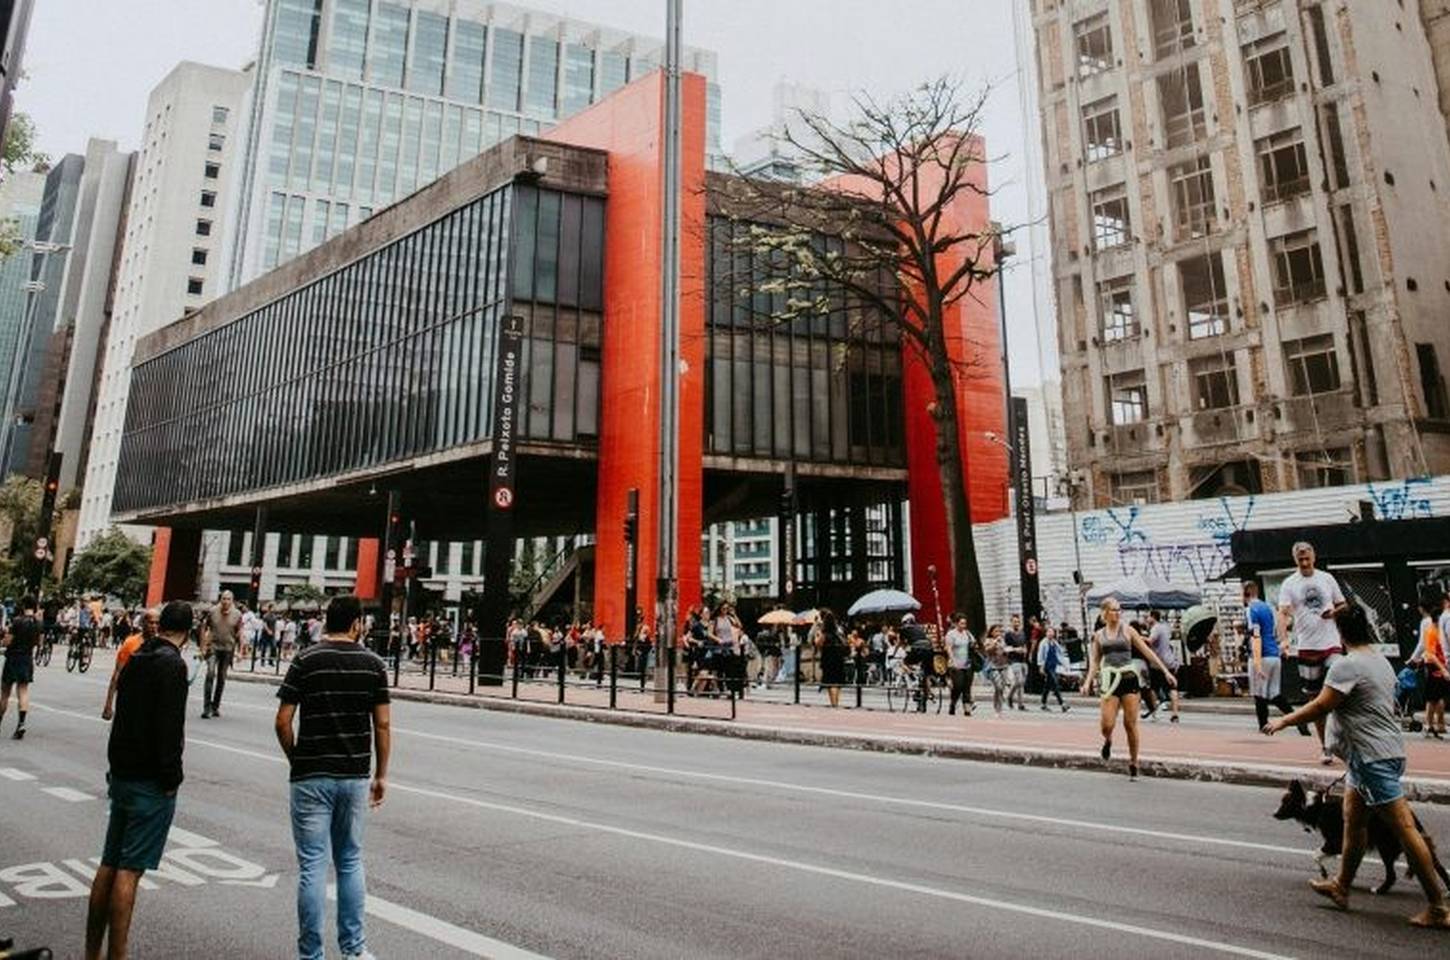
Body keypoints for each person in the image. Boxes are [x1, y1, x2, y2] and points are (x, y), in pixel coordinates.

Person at [1264, 605, 1450, 928]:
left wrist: (1284, 720)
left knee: (1405, 830)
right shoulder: (1381, 661)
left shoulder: (1346, 667)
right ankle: (1341, 886)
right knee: (1353, 822)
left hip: (1371, 759)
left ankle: (1437, 906)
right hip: (1377, 756)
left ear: (1341, 634)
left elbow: (1321, 705)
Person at [274, 595, 391, 960]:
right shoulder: (373, 664)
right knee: (350, 861)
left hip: (310, 775)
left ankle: (311, 955)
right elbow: (383, 723)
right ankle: (354, 950)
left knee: (312, 865)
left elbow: (282, 720)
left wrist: (298, 758)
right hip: (354, 774)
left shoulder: (305, 659)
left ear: (328, 621)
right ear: (357, 623)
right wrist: (382, 774)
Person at [85, 600, 193, 960]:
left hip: (122, 771)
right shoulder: (173, 666)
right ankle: (119, 954)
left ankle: (92, 953)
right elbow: (169, 727)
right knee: (130, 871)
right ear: (189, 633)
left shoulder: (138, 656)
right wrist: (171, 776)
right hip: (150, 779)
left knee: (109, 862)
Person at [1081, 598, 1178, 780]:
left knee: (1130, 724)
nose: (1118, 613)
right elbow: (1095, 661)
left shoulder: (1128, 630)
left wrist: (1166, 672)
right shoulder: (1099, 636)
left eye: (1119, 610)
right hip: (1110, 681)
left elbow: (1148, 652)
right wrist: (1087, 682)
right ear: (1105, 613)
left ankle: (1134, 762)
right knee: (1107, 724)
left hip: (1129, 679)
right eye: (1114, 610)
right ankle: (1108, 740)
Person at [1278, 541, 1350, 763]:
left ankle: (1346, 741)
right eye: (1299, 556)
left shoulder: (1326, 578)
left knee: (1338, 692)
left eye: (1307, 555)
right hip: (1307, 647)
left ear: (1314, 556)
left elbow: (1344, 605)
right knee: (1316, 701)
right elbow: (1283, 613)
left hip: (1331, 644)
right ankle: (1326, 747)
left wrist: (1334, 613)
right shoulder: (1289, 583)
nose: (1303, 558)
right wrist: (1284, 640)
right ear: (1295, 559)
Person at [1242, 581, 1304, 735]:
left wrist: (1256, 663)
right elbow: (1276, 629)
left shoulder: (1251, 610)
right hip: (1274, 655)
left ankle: (1263, 726)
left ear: (1245, 593)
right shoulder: (1268, 608)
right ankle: (1298, 720)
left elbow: (1256, 637)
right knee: (1274, 694)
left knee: (1259, 694)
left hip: (1261, 656)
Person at [102, 609, 159, 721]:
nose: (154, 626)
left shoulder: (161, 645)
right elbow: (117, 674)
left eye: (157, 623)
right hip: (128, 697)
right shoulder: (130, 643)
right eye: (151, 622)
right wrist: (108, 704)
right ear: (143, 623)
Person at [0, 595, 41, 739]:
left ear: (23, 606)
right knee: (23, 691)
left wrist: (5, 637)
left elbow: (7, 642)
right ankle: (21, 723)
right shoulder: (37, 623)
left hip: (13, 658)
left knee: (5, 692)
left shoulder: (17, 621)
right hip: (27, 657)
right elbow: (38, 642)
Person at [200, 590, 243, 719]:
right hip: (213, 647)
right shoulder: (212, 611)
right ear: (220, 599)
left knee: (221, 678)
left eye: (228, 599)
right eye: (223, 598)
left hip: (228, 649)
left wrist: (240, 651)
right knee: (210, 673)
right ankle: (206, 708)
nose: (225, 601)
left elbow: (240, 632)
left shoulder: (237, 614)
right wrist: (202, 646)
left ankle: (215, 706)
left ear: (232, 601)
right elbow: (203, 627)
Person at [1140, 611, 1181, 723]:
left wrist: (1138, 637)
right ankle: (1175, 714)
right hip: (1170, 660)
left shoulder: (1156, 628)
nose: (1146, 619)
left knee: (1153, 688)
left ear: (1153, 617)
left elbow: (1150, 640)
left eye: (1148, 617)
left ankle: (1153, 713)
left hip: (1158, 663)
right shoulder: (1166, 627)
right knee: (1173, 688)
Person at [1416, 596, 1448, 739]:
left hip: (1435, 667)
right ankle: (1440, 724)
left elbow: (1431, 654)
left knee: (1431, 699)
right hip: (1443, 667)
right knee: (1440, 697)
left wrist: (1442, 669)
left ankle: (1429, 725)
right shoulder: (1442, 633)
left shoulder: (1431, 633)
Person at [944, 614, 976, 716]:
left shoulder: (967, 633)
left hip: (967, 664)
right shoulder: (951, 634)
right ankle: (953, 703)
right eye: (961, 623)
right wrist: (952, 660)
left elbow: (974, 643)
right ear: (956, 623)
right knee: (958, 686)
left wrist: (974, 645)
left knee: (967, 687)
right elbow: (948, 648)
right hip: (956, 665)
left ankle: (967, 709)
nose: (963, 625)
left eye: (965, 623)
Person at [815, 609, 847, 708]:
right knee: (836, 683)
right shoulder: (838, 632)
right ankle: (836, 702)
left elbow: (818, 643)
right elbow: (845, 643)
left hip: (828, 659)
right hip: (838, 659)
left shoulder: (824, 633)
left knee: (830, 682)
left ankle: (833, 704)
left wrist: (817, 634)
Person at [1037, 626, 1070, 712]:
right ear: (1046, 633)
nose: (1051, 633)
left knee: (1047, 686)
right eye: (1049, 632)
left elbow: (1060, 654)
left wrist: (1064, 665)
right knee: (1055, 683)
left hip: (1054, 666)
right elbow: (1040, 655)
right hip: (1047, 666)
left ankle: (1043, 703)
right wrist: (1041, 666)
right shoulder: (1043, 643)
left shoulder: (1055, 643)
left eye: (1052, 632)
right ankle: (1062, 703)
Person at [1002, 614, 1028, 711]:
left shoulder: (1022, 633)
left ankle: (1020, 704)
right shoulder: (1008, 634)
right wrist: (1015, 649)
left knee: (1021, 683)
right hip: (1013, 660)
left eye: (1018, 621)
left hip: (1023, 660)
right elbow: (1006, 648)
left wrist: (1025, 650)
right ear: (1011, 623)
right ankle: (1009, 697)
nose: (1016, 623)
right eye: (1014, 621)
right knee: (1019, 680)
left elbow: (1025, 645)